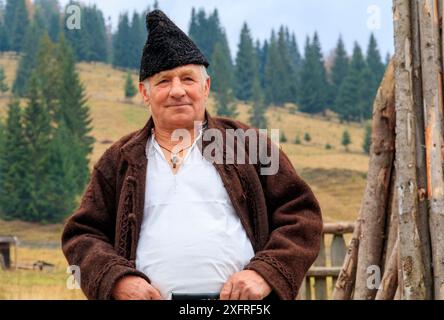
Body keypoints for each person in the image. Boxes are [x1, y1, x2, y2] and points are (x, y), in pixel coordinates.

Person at [61, 9, 323, 300]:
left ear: (206, 87)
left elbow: (301, 215)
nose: (177, 91)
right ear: (144, 93)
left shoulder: (249, 144)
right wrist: (117, 280)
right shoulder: (119, 159)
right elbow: (82, 234)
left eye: (188, 79)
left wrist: (264, 272)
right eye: (163, 81)